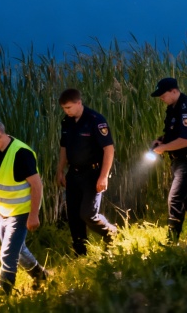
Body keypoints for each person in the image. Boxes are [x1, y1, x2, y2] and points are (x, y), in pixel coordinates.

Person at [0, 119, 48, 295]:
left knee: (8, 254)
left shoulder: (22, 153)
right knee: (18, 250)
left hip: (20, 213)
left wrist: (33, 216)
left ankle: (3, 294)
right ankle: (41, 276)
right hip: (3, 213)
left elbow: (37, 185)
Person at [56, 89, 118, 256]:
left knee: (88, 214)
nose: (66, 111)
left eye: (69, 107)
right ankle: (80, 252)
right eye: (64, 108)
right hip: (73, 173)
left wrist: (104, 176)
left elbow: (109, 149)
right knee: (74, 216)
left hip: (92, 173)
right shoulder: (66, 122)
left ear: (79, 102)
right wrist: (60, 170)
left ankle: (110, 232)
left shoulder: (95, 120)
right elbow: (64, 147)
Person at [150, 78, 187, 243]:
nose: (161, 98)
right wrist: (162, 140)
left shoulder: (186, 108)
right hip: (179, 159)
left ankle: (172, 240)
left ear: (174, 91)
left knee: (175, 198)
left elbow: (184, 141)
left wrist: (164, 148)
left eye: (163, 95)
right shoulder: (173, 107)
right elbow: (175, 132)